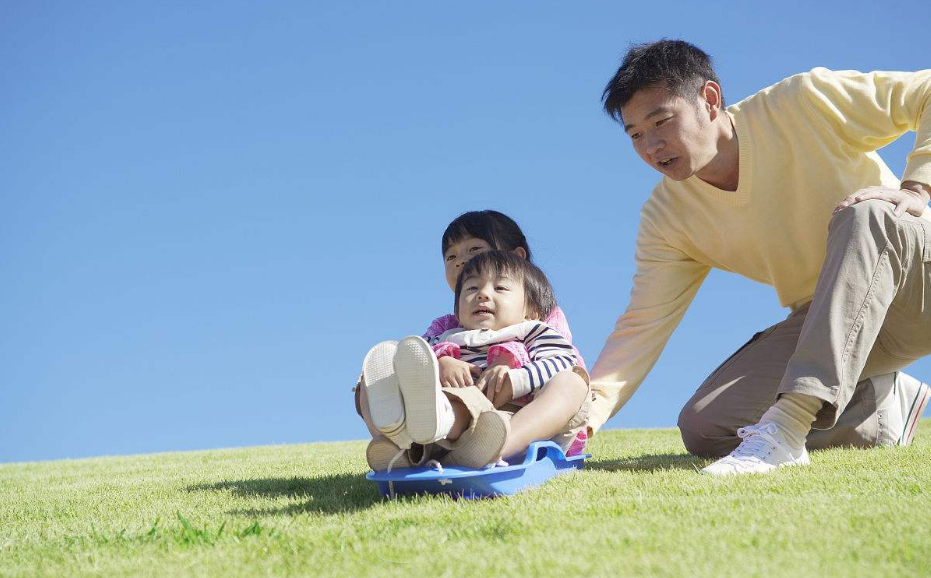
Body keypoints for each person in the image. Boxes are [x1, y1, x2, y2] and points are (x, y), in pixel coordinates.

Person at [589, 39, 931, 475]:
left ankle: (787, 430)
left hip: (917, 279)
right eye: (636, 135)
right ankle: (878, 408)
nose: (652, 146)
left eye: (662, 121)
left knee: (865, 213)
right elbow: (641, 327)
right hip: (833, 327)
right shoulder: (666, 219)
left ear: (709, 100)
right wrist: (583, 419)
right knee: (707, 424)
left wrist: (917, 188)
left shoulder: (804, 102)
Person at [353, 210, 589, 468]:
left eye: (474, 249)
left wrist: (514, 377)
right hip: (443, 415)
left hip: (515, 418)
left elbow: (563, 360)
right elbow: (415, 358)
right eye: (451, 257)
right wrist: (440, 361)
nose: (459, 261)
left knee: (573, 382)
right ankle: (395, 444)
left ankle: (497, 447)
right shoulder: (448, 330)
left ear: (530, 307)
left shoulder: (533, 325)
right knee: (377, 376)